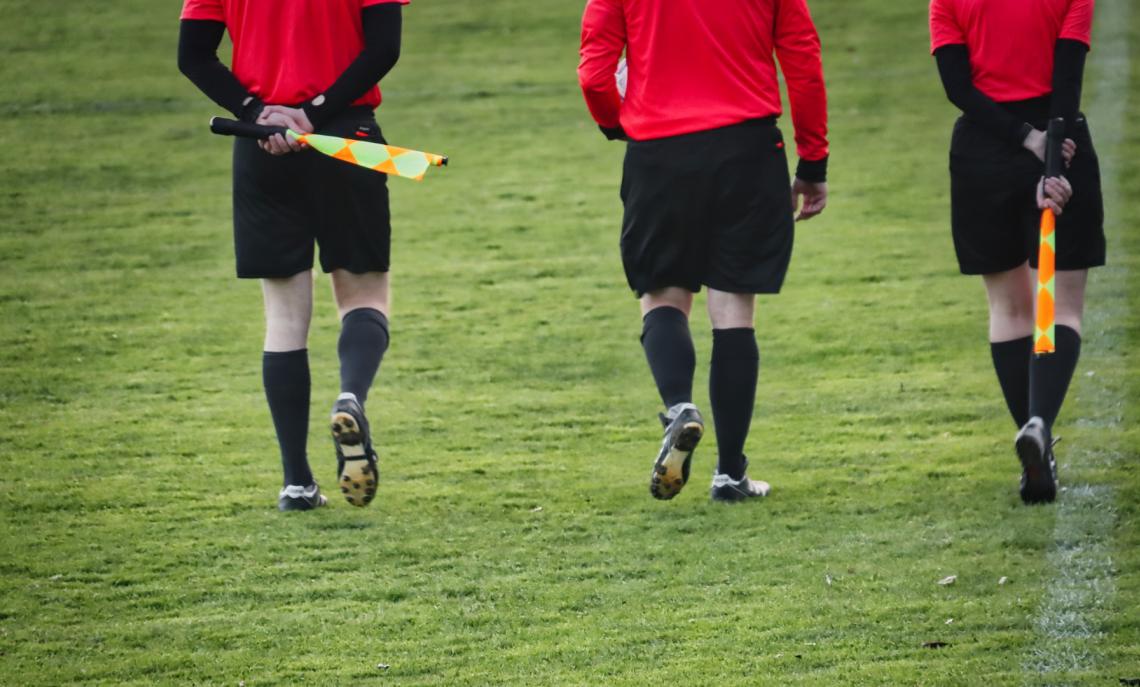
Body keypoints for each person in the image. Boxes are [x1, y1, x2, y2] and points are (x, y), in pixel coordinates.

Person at [578, 0, 830, 502]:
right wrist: (814, 158)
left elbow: (594, 74)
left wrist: (616, 123)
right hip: (748, 150)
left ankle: (679, 408)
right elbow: (803, 62)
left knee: (663, 296)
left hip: (660, 152)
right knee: (734, 310)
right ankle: (730, 474)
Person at [178, 0, 409, 511]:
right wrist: (314, 113)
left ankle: (296, 483)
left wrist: (258, 112)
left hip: (262, 145)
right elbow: (384, 47)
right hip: (347, 138)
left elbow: (194, 56)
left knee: (284, 318)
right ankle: (351, 396)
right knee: (365, 292)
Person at [929, 0, 1103, 503]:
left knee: (1008, 308)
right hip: (1058, 141)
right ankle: (1039, 425)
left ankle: (1035, 453)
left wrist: (1021, 139)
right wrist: (1052, 157)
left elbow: (958, 88)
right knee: (1063, 306)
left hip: (981, 153)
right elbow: (1067, 77)